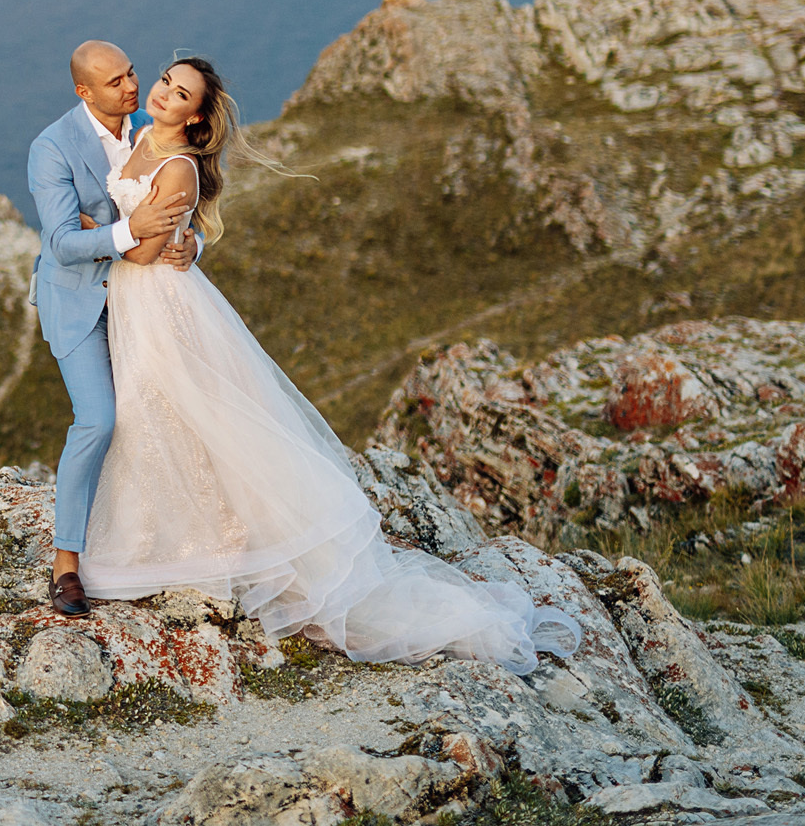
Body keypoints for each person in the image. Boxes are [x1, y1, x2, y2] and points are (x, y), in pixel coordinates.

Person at [74, 55, 578, 674]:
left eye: (179, 94)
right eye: (163, 83)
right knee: (153, 414)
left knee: (168, 407)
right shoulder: (138, 137)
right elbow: (139, 218)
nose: (162, 95)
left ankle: (207, 548)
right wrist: (143, 231)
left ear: (197, 114)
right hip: (136, 303)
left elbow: (149, 251)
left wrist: (101, 230)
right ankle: (170, 537)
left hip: (159, 301)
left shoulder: (179, 168)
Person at [25, 41, 199, 617]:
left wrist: (192, 241)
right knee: (99, 419)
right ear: (83, 92)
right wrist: (129, 230)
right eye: (114, 82)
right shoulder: (51, 148)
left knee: (169, 411)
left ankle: (163, 538)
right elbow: (60, 243)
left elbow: (192, 191)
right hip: (78, 303)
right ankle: (66, 563)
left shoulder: (153, 127)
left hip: (139, 304)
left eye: (132, 74)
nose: (131, 87)